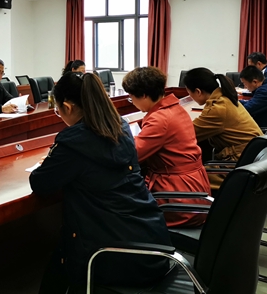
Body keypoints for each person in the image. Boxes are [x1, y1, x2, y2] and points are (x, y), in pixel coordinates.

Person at [30, 72, 172, 293]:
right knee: (57, 262)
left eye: (58, 110)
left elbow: (40, 183)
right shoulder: (121, 128)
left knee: (59, 262)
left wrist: (54, 159)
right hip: (152, 244)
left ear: (67, 107)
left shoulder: (74, 143)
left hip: (114, 255)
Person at [122, 67, 211, 227]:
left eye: (131, 97)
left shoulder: (160, 119)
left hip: (178, 198)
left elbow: (131, 155)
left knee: (120, 212)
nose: (132, 102)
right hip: (194, 191)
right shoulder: (175, 109)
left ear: (143, 95)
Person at [183, 67, 262, 191]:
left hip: (240, 163)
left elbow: (186, 135)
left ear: (198, 91)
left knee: (184, 180)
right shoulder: (225, 98)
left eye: (189, 92)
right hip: (251, 157)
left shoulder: (218, 108)